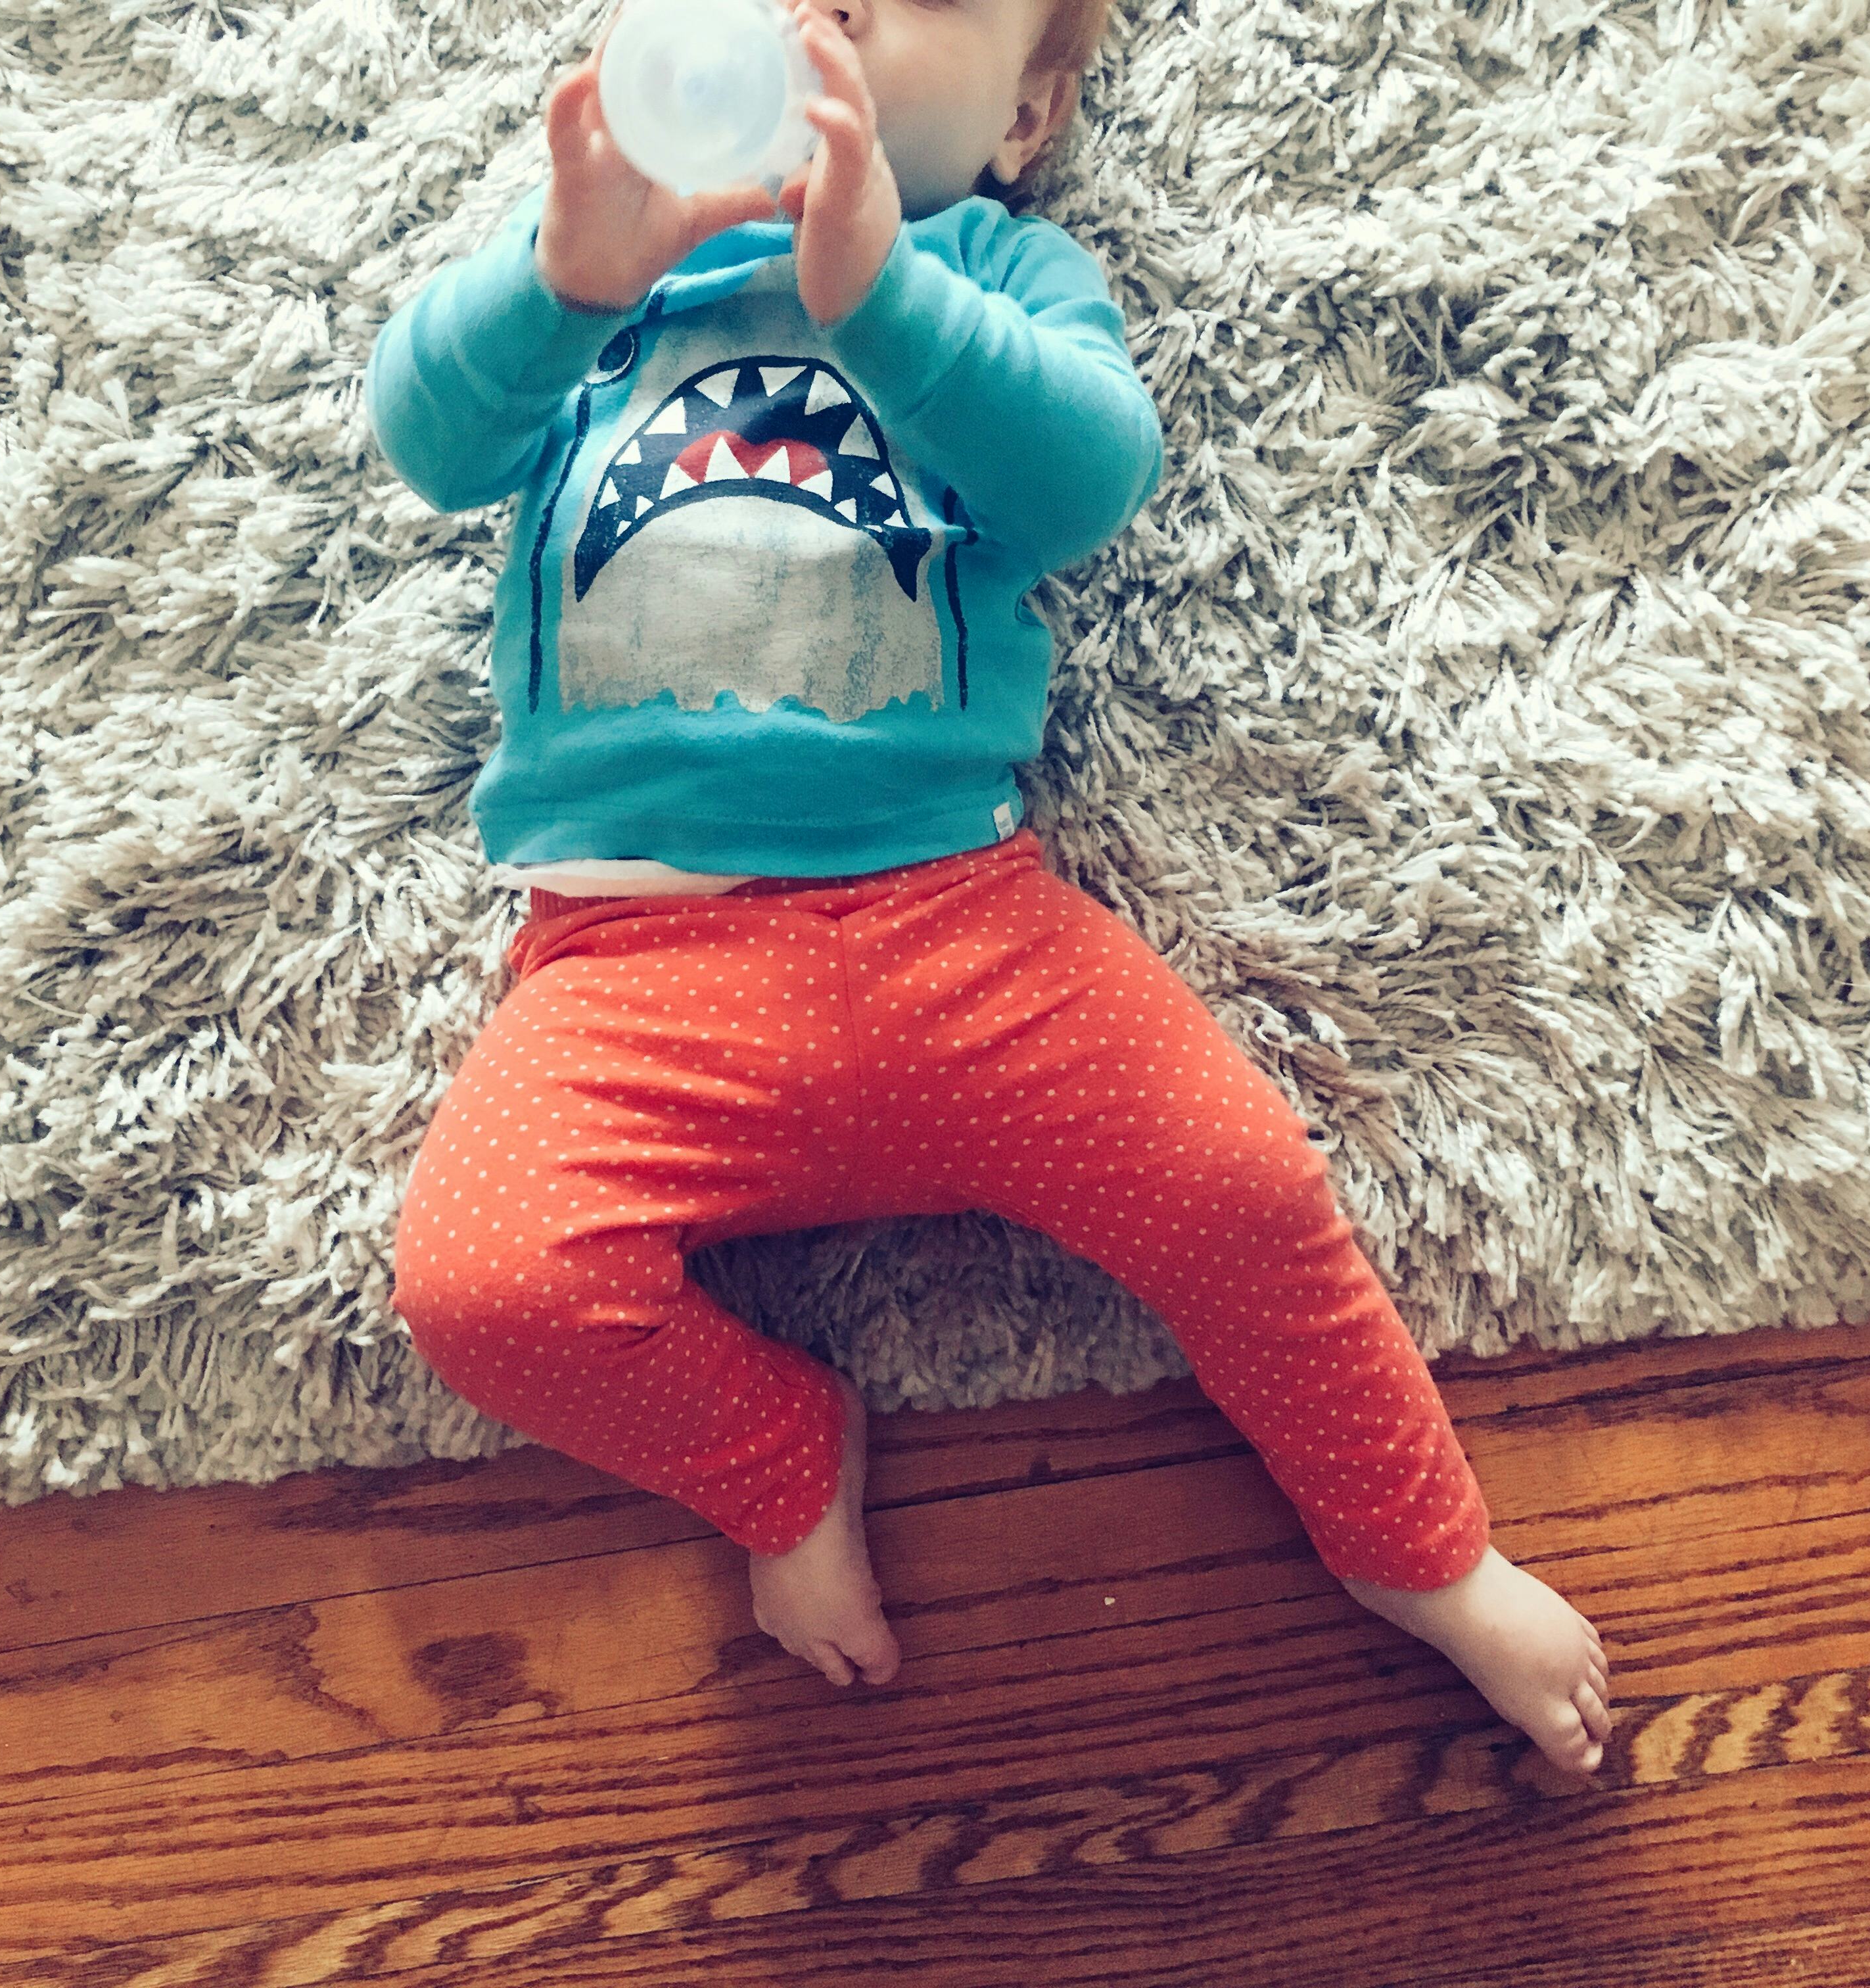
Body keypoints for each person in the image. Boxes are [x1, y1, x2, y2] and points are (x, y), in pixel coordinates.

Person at [371, 0, 1612, 1774]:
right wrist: (558, 278)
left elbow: (1091, 473)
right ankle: (782, 1461)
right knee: (485, 1288)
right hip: (630, 970)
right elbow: (428, 440)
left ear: (1024, 117)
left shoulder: (994, 274)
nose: (836, 13)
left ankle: (1422, 1548)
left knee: (1249, 1195)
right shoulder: (610, 277)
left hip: (960, 927)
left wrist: (884, 281)